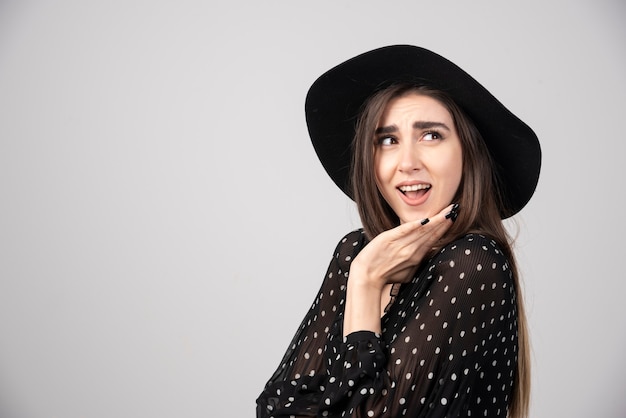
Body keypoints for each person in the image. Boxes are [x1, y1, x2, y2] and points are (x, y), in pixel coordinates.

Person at [256, 45, 541, 418]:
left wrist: (365, 285)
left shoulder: (472, 263)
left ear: (468, 152)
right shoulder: (356, 253)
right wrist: (362, 274)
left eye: (431, 136)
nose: (407, 163)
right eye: (387, 140)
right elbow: (276, 408)